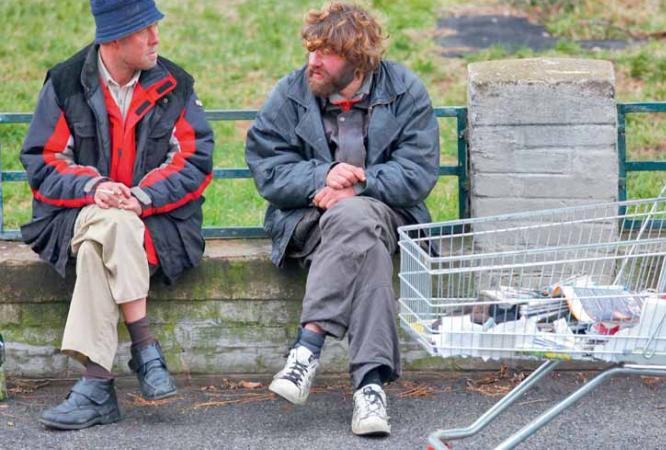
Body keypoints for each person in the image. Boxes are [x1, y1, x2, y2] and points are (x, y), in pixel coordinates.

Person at [245, 1, 439, 437]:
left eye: (325, 53)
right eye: (310, 50)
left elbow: (417, 172)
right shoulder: (291, 93)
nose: (312, 61)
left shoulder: (405, 91)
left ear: (356, 59)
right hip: (310, 220)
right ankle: (370, 387)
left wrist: (361, 184)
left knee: (357, 216)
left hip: (388, 215)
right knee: (363, 246)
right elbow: (267, 166)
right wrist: (321, 175)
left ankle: (307, 348)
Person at [19, 0, 213, 430]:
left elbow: (195, 161)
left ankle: (97, 384)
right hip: (74, 215)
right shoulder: (66, 82)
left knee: (99, 244)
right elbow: (44, 159)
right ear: (115, 37)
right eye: (146, 29)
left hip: (159, 225)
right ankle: (144, 346)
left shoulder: (175, 84)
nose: (156, 38)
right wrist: (94, 188)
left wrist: (142, 197)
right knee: (109, 223)